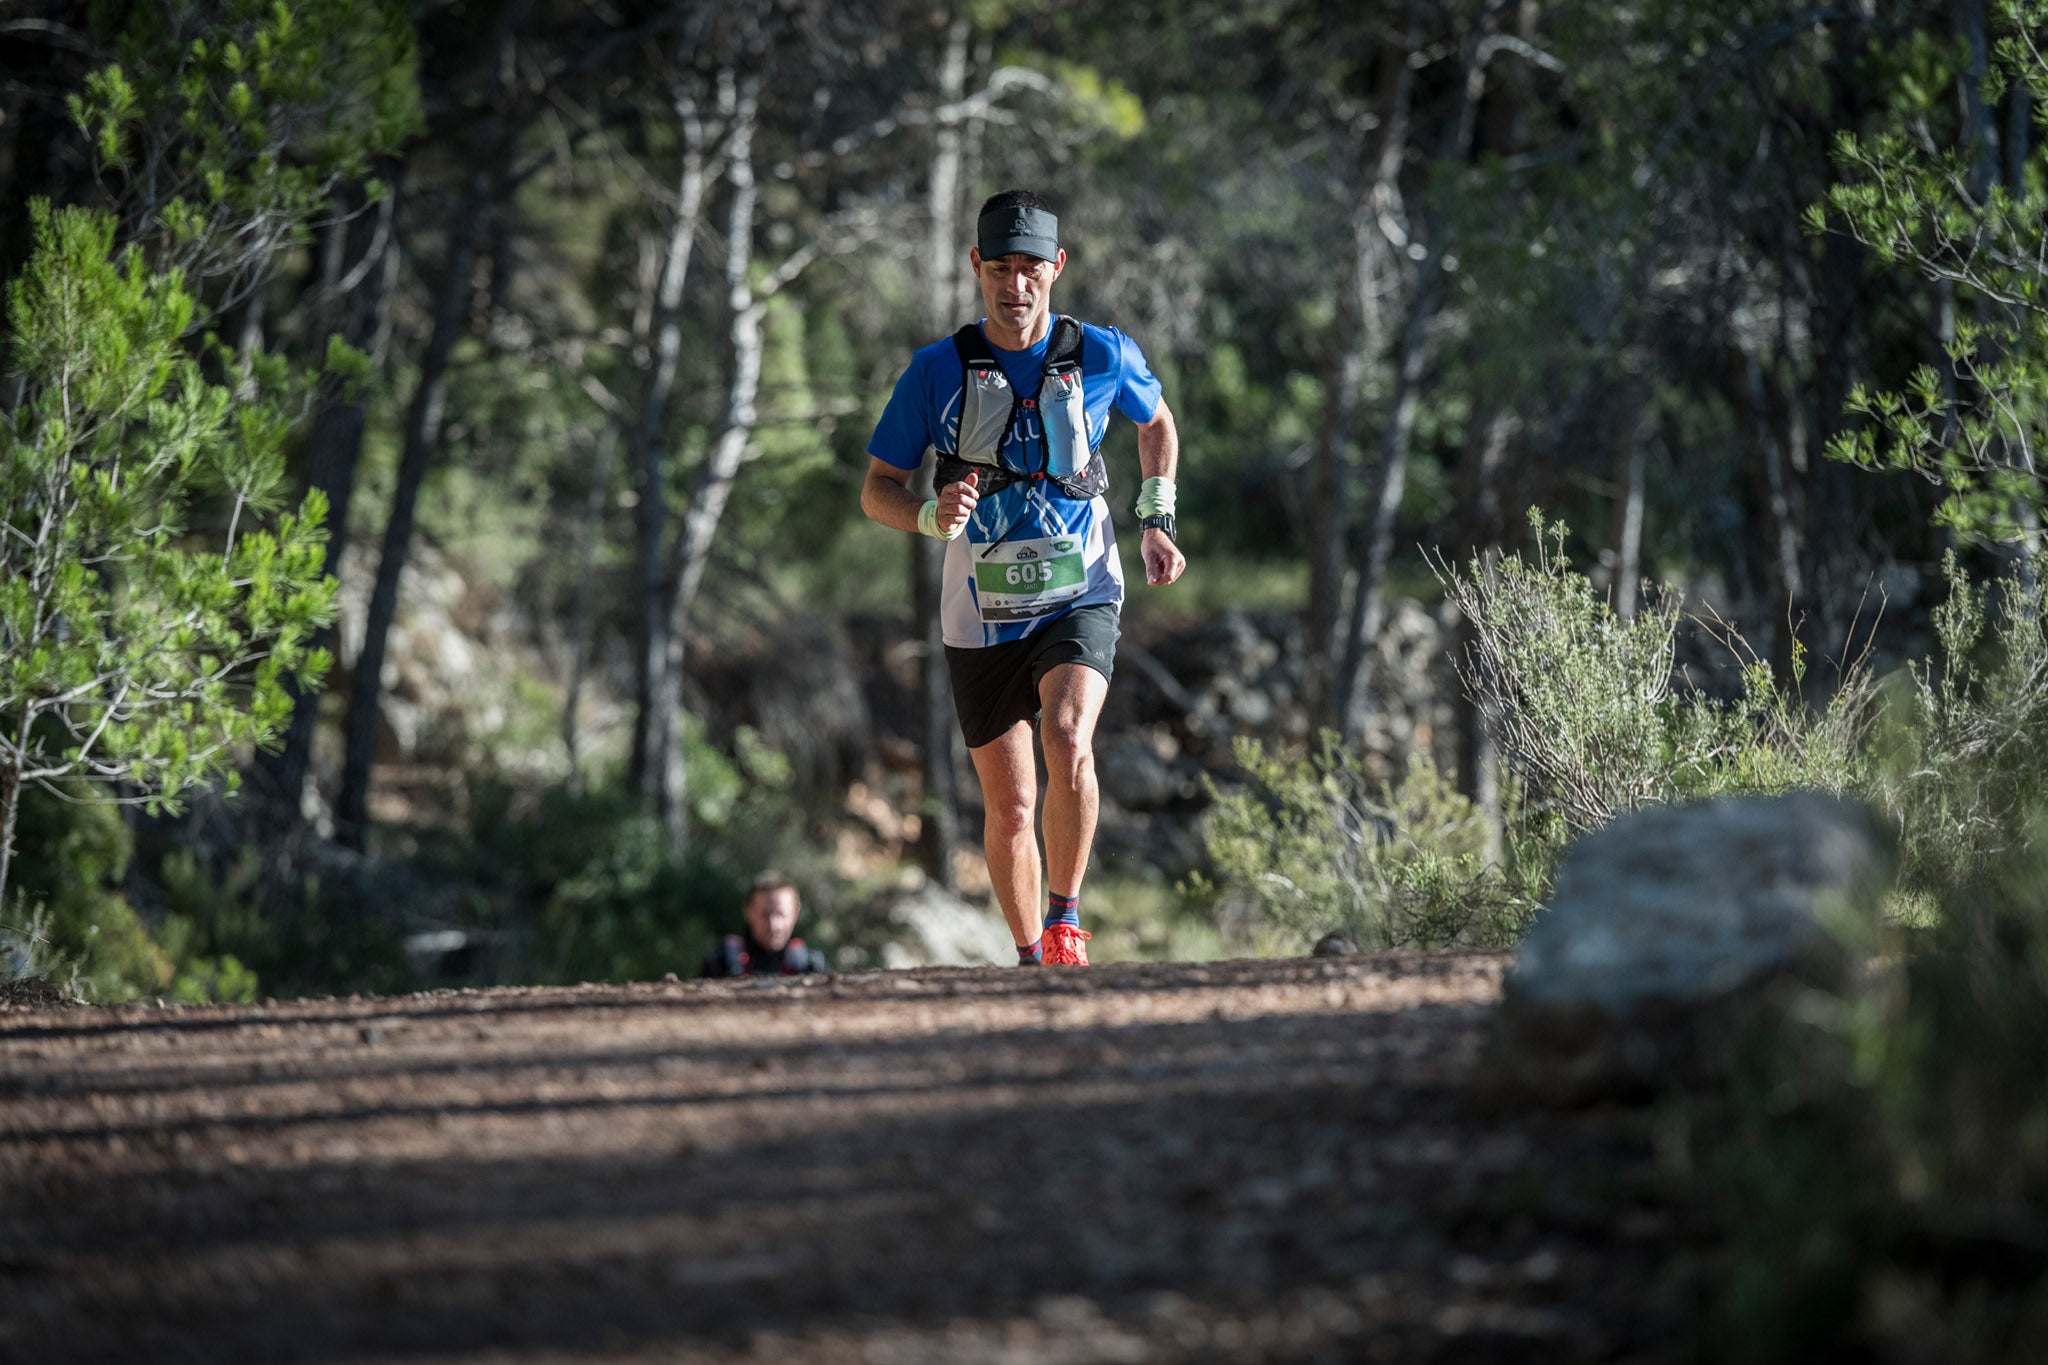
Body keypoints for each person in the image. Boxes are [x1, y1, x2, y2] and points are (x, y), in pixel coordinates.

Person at [861, 189, 1185, 967]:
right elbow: (879, 487)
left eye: (1031, 269)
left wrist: (1157, 519)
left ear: (1057, 268)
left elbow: (1158, 424)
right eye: (1000, 268)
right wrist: (930, 517)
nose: (1016, 286)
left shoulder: (1102, 353)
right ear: (977, 266)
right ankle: (1031, 956)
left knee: (1069, 734)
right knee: (1010, 806)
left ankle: (1068, 918)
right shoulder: (935, 372)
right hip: (980, 611)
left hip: (1082, 589)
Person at [699, 872, 828, 977]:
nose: (773, 925)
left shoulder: (813, 966)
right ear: (748, 912)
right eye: (765, 915)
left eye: (781, 914)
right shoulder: (720, 963)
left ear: (795, 914)